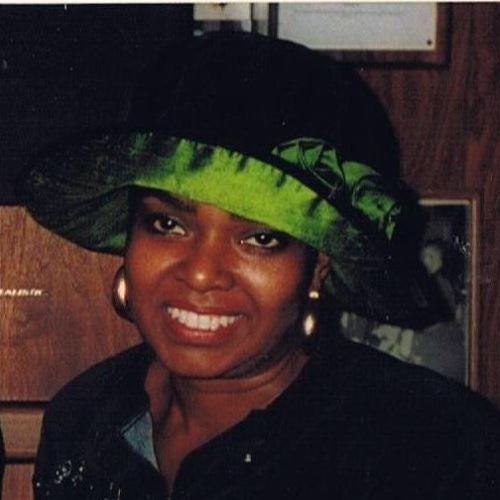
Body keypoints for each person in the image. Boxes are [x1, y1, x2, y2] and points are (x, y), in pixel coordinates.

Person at [19, 32, 500, 499]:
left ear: (317, 266)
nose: (202, 272)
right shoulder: (84, 421)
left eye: (260, 238)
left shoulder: (433, 450)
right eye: (167, 225)